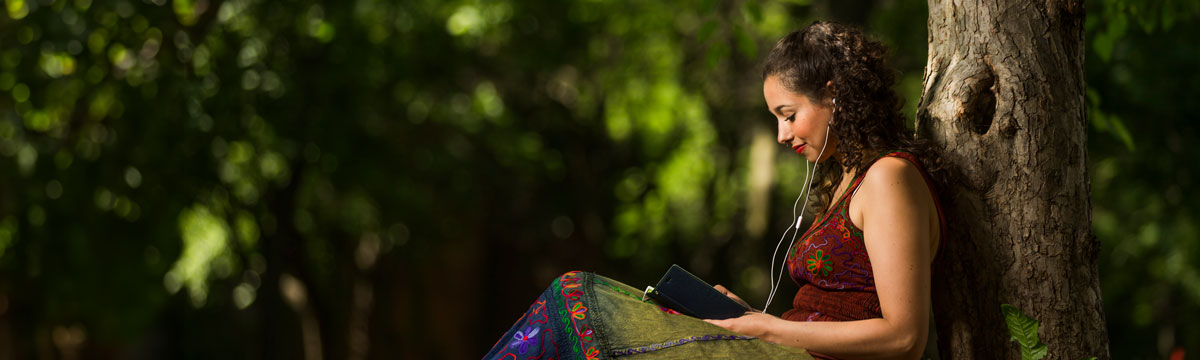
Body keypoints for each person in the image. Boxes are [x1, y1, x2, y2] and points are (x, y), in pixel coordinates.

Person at [483, 21, 945, 360]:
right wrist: (748, 318)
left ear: (834, 95)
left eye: (789, 114)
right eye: (775, 120)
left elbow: (904, 338)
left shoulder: (888, 178)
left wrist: (765, 330)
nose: (782, 136)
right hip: (782, 349)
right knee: (578, 297)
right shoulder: (846, 180)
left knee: (576, 301)